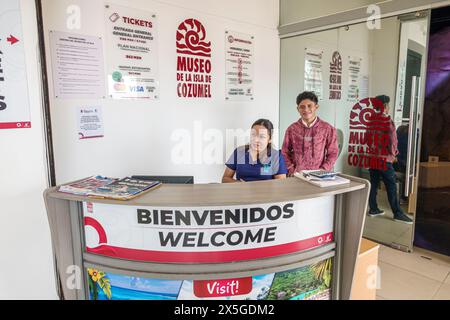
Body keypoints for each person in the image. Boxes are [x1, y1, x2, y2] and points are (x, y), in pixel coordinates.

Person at [368, 95, 413, 224]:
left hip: (372, 158)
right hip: (384, 159)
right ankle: (398, 213)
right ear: (385, 107)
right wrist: (393, 155)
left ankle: (374, 209)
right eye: (388, 105)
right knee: (391, 186)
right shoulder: (387, 121)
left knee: (374, 184)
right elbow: (392, 142)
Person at [281, 91, 338, 176]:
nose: (306, 110)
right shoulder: (292, 129)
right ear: (298, 109)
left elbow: (333, 153)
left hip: (319, 176)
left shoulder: (327, 129)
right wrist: (291, 169)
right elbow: (284, 152)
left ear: (316, 107)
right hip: (296, 176)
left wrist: (323, 170)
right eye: (302, 107)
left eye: (309, 106)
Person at [222, 119, 287, 182]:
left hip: (265, 192)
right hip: (241, 192)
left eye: (261, 137)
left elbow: (280, 184)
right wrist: (239, 184)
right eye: (253, 135)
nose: (256, 140)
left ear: (270, 139)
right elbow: (225, 179)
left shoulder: (276, 156)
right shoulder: (239, 151)